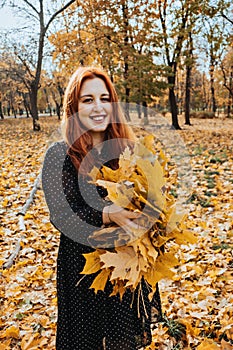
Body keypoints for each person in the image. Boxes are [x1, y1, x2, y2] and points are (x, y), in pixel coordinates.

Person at [42, 66, 161, 350]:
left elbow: (149, 205)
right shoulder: (60, 155)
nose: (98, 107)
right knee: (86, 342)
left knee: (123, 342)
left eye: (105, 98)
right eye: (88, 100)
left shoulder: (128, 154)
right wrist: (108, 214)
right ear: (74, 107)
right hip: (83, 270)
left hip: (124, 271)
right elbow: (62, 217)